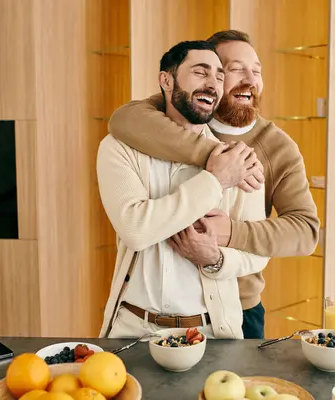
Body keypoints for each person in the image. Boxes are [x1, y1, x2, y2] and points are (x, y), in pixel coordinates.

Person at [107, 30, 320, 339]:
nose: (250, 79)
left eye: (257, 70)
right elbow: (123, 120)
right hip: (152, 309)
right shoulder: (168, 117)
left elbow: (305, 231)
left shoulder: (275, 147)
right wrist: (218, 158)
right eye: (235, 69)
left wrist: (230, 233)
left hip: (237, 306)